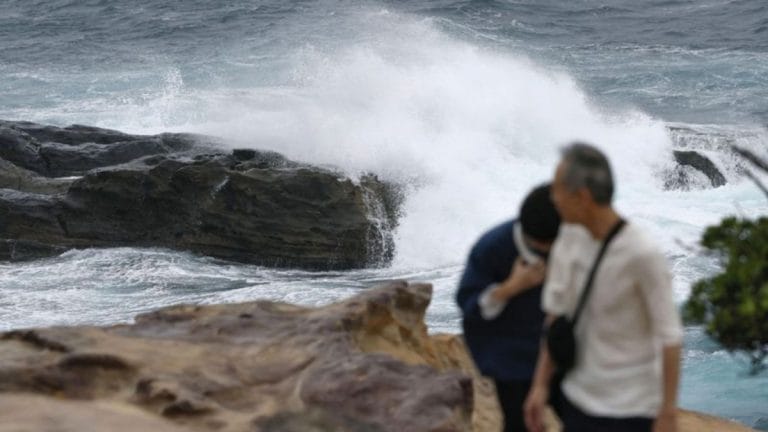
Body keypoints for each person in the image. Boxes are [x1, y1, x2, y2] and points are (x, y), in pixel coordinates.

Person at [524, 143, 683, 432]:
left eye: (558, 189)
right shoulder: (567, 241)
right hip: (578, 402)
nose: (553, 198)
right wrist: (540, 385)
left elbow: (670, 337)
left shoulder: (641, 254)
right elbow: (555, 316)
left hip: (633, 411)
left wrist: (668, 413)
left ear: (582, 197)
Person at [456, 184, 561, 432]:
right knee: (520, 422)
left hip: (561, 347)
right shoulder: (492, 248)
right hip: (509, 353)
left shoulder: (574, 238)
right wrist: (512, 287)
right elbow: (470, 306)